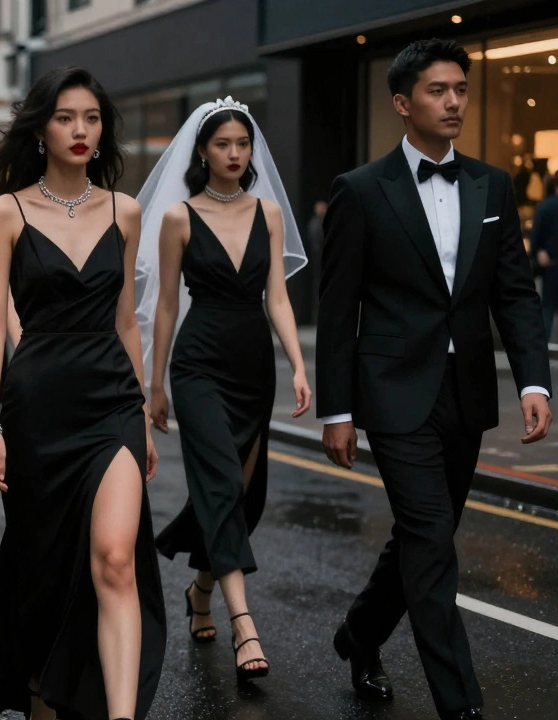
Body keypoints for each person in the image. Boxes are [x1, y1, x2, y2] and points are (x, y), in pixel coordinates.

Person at [318, 40, 552, 720]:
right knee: (429, 543)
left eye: (461, 89)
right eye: (437, 90)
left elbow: (515, 294)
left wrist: (534, 383)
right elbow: (337, 313)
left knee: (427, 537)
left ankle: (359, 635)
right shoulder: (360, 190)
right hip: (393, 392)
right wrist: (338, 409)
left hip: (467, 391)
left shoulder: (492, 185)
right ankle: (461, 706)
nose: (453, 102)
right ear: (402, 103)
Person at [0, 66, 166, 720]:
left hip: (109, 398)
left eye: (92, 118)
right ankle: (40, 688)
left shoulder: (126, 211)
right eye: (65, 118)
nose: (80, 130)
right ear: (42, 129)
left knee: (114, 558)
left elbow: (125, 323)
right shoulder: (7, 211)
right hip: (36, 409)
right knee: (43, 564)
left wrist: (139, 412)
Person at [137, 96, 310, 682]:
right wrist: (154, 384)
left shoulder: (268, 214)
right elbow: (164, 306)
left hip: (253, 367)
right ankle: (245, 624)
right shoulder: (179, 217)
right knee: (217, 486)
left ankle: (202, 590)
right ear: (203, 152)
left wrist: (299, 365)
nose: (234, 153)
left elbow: (278, 298)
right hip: (198, 366)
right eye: (222, 144)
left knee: (239, 495)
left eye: (242, 144)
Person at [533, 175, 557, 341]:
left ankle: (544, 347)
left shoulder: (545, 206)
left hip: (550, 263)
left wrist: (538, 252)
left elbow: (536, 236)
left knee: (547, 307)